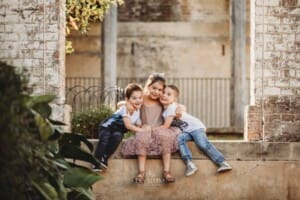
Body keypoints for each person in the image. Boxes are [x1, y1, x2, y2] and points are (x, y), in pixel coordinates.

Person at [159, 85, 232, 176]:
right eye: (163, 93)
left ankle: (222, 162)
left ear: (174, 99)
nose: (164, 95)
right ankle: (190, 164)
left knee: (202, 144)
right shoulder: (165, 112)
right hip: (187, 131)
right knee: (179, 139)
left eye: (168, 94)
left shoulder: (172, 107)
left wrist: (150, 129)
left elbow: (166, 126)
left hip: (196, 127)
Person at [121, 73, 181, 184]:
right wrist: (126, 104)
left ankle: (167, 171)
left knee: (165, 138)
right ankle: (141, 172)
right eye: (154, 88)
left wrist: (179, 110)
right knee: (141, 139)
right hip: (145, 129)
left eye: (160, 90)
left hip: (159, 129)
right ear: (148, 86)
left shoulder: (161, 100)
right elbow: (121, 104)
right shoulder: (141, 98)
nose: (156, 92)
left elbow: (177, 105)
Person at [93, 83, 148, 172]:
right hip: (107, 127)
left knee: (117, 137)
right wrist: (142, 130)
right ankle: (95, 162)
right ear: (128, 99)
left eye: (140, 98)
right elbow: (128, 125)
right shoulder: (125, 108)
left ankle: (104, 158)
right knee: (104, 141)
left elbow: (138, 124)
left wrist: (142, 128)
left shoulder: (137, 111)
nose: (138, 100)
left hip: (117, 131)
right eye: (134, 98)